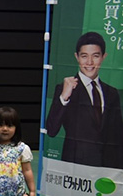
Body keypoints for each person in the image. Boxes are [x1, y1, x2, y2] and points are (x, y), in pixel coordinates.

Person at [46, 31, 123, 168]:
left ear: (103, 57)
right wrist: (64, 98)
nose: (89, 62)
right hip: (75, 166)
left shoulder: (112, 93)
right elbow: (51, 130)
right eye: (84, 56)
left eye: (95, 56)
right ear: (77, 57)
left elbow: (118, 136)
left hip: (107, 167)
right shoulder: (65, 88)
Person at [0, 106, 36, 196]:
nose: (5, 129)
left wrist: (32, 190)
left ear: (16, 128)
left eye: (10, 125)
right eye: (0, 125)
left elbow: (27, 170)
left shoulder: (22, 148)